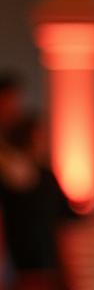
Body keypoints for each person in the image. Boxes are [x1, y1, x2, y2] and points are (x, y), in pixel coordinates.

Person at [0, 115, 76, 272]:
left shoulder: (11, 177)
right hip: (38, 259)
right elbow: (66, 212)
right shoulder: (43, 176)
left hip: (22, 259)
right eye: (40, 137)